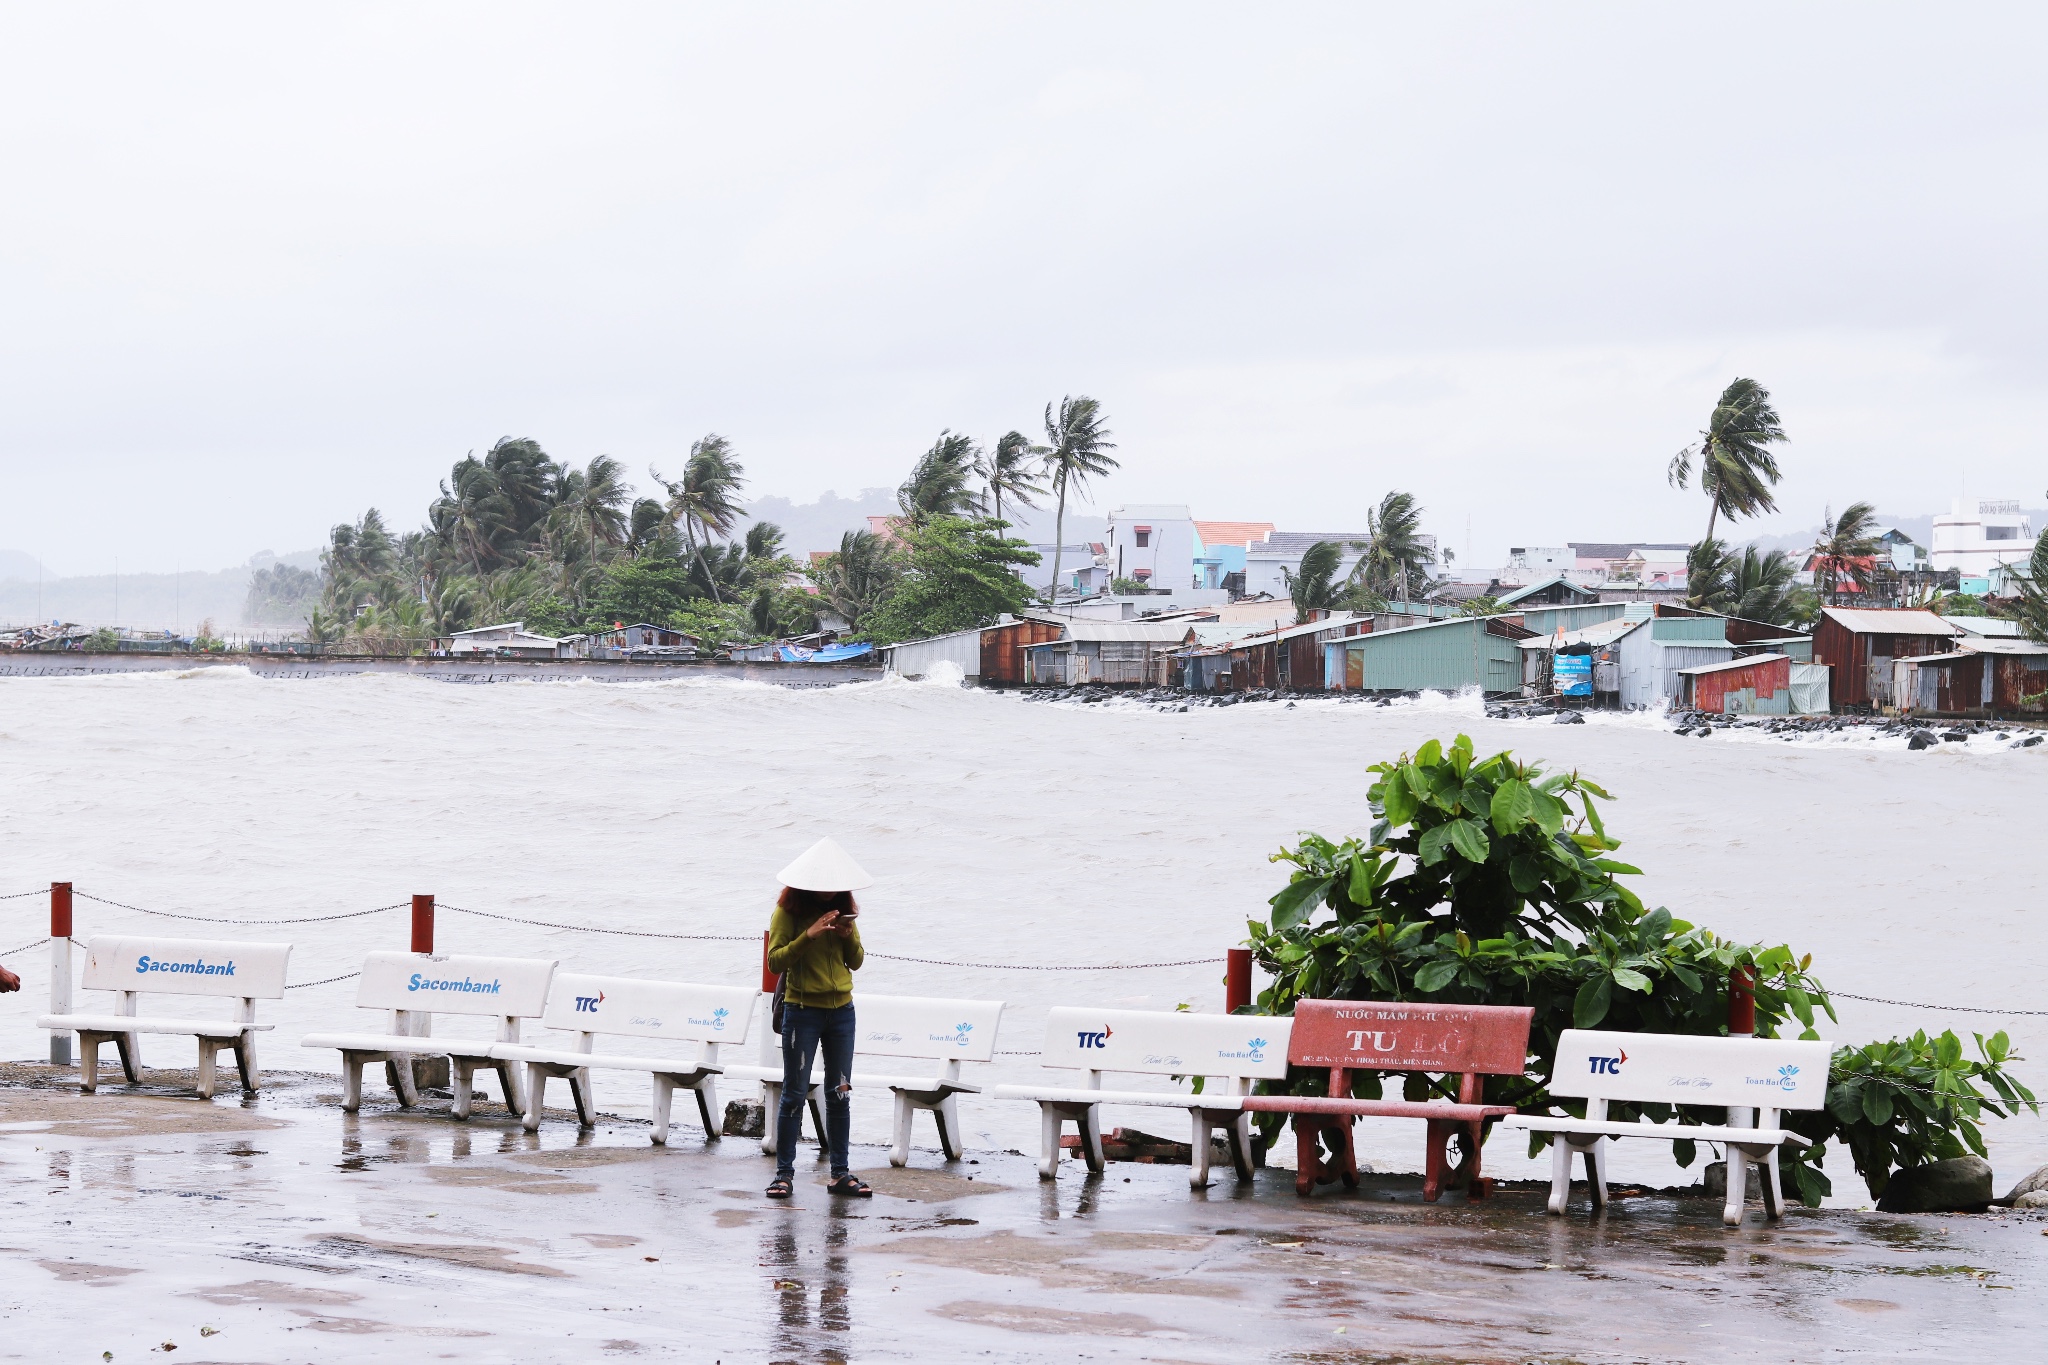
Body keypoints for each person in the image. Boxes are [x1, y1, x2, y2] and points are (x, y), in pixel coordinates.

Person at [765, 836, 873, 1200]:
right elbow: (775, 961)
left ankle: (840, 1174)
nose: (830, 892)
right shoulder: (788, 913)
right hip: (802, 1012)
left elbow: (856, 961)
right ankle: (783, 1175)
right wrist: (808, 936)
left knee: (840, 1092)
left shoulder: (844, 911)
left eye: (835, 885)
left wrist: (845, 935)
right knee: (794, 1093)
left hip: (842, 1012)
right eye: (823, 885)